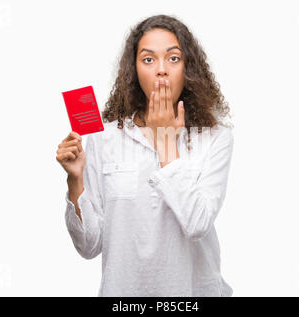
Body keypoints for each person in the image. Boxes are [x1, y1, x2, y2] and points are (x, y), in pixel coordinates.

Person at [56, 14, 235, 297]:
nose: (161, 70)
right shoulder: (106, 136)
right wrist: (75, 181)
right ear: (134, 69)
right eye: (148, 59)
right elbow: (89, 246)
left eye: (173, 58)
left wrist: (165, 140)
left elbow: (197, 224)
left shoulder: (214, 137)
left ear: (188, 68)